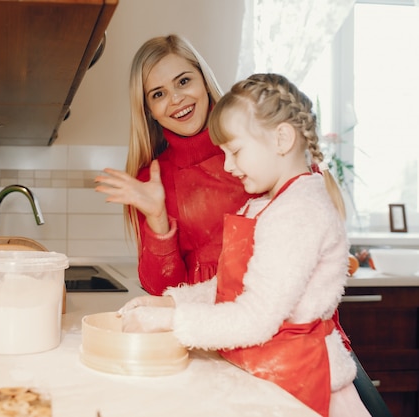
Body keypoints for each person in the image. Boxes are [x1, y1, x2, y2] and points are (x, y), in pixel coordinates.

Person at [117, 73, 371, 417]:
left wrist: (169, 322)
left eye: (235, 151)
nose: (227, 166)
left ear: (282, 139)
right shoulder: (267, 203)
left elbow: (255, 318)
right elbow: (230, 287)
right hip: (271, 373)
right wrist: (168, 303)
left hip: (304, 385)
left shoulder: (300, 212)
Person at [94, 35, 252, 295]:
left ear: (203, 80)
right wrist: (157, 219)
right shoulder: (152, 179)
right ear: (149, 110)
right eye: (158, 94)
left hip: (274, 326)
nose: (176, 98)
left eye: (183, 81)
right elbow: (161, 290)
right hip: (202, 329)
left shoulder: (254, 143)